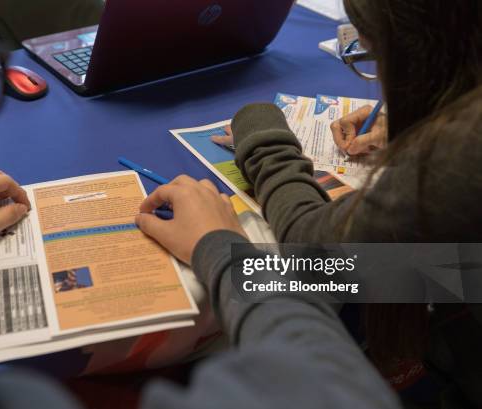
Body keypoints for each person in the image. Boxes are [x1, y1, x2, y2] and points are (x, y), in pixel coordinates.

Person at [140, 0, 482, 407]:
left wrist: (217, 237)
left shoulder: (460, 155)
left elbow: (315, 257)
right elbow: (455, 269)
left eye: (372, 56)